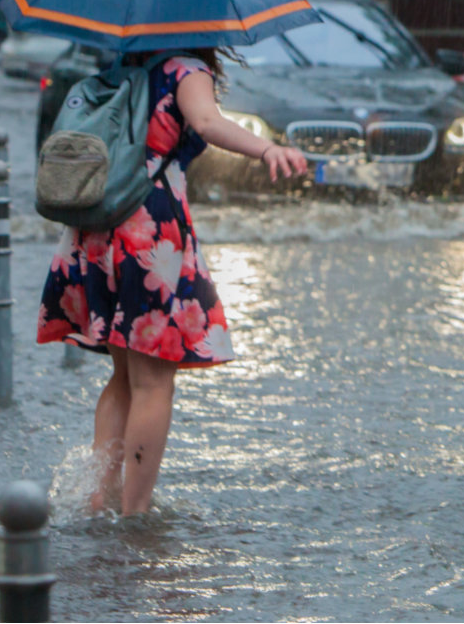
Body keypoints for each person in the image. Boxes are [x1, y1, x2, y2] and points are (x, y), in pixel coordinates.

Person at [37, 50, 307, 514]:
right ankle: (135, 515)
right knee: (153, 384)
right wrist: (266, 148)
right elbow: (205, 122)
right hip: (149, 228)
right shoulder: (184, 67)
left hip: (101, 224)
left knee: (122, 377)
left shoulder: (122, 64)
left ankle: (98, 500)